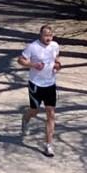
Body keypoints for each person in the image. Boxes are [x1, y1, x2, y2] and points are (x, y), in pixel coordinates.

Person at [18, 24, 62, 157]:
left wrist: (58, 65)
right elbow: (20, 60)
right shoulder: (33, 47)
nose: (48, 38)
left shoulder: (55, 45)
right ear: (40, 35)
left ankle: (48, 146)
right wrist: (33, 65)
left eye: (50, 35)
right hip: (36, 84)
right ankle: (25, 118)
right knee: (35, 110)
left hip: (50, 84)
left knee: (51, 114)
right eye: (45, 35)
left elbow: (56, 59)